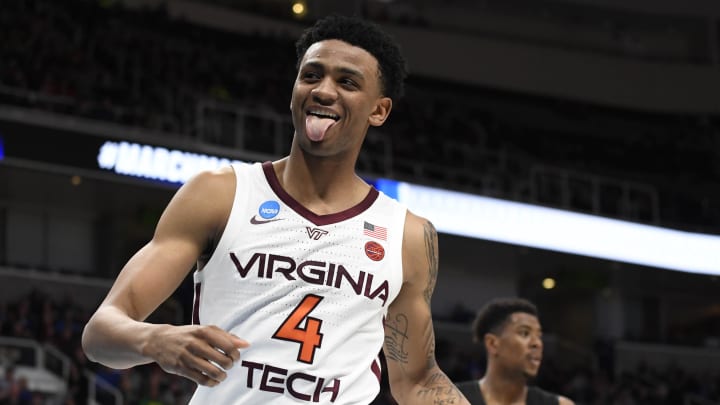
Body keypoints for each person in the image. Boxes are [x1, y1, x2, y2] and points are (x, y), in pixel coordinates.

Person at [81, 14, 470, 405]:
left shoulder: (408, 234)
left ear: (379, 110)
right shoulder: (220, 194)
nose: (323, 91)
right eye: (311, 75)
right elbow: (100, 333)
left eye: (347, 82)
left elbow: (417, 379)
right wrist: (155, 339)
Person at [455, 297, 574, 405]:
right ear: (492, 344)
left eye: (539, 336)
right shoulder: (451, 399)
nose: (537, 343)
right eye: (524, 333)